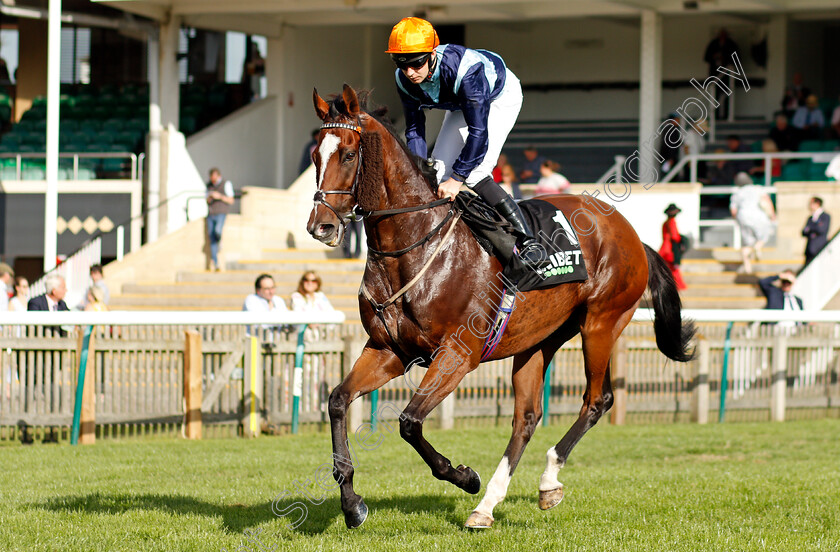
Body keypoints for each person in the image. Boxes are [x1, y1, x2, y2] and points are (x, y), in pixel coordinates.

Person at [386, 17, 536, 252]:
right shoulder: (403, 79)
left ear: (433, 53)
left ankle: (529, 241)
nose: (410, 72)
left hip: (499, 96)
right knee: (433, 172)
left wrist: (457, 180)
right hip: (459, 103)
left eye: (416, 64)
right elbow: (415, 129)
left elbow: (478, 133)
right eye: (402, 65)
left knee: (475, 173)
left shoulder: (467, 70)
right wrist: (417, 171)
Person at [730, 172, 775, 274]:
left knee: (747, 243)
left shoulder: (737, 193)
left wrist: (737, 220)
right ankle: (757, 247)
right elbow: (767, 201)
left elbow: (733, 211)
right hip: (759, 217)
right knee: (763, 237)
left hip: (743, 217)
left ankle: (747, 267)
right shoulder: (758, 189)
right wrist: (772, 215)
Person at [703, 29, 739, 118]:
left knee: (727, 95)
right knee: (715, 95)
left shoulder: (731, 44)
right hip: (715, 74)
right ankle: (715, 116)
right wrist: (714, 56)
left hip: (727, 74)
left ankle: (727, 116)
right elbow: (706, 58)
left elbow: (737, 59)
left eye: (724, 35)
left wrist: (725, 58)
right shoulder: (713, 44)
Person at [206, 167, 235, 271]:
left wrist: (219, 196)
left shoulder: (225, 184)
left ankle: (220, 241)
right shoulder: (209, 185)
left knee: (217, 231)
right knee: (211, 238)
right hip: (211, 213)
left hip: (221, 212)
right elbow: (206, 199)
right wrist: (210, 197)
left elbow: (231, 200)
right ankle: (216, 263)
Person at [658, 204, 687, 291]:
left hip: (665, 248)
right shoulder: (672, 222)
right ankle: (677, 285)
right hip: (670, 249)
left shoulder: (665, 223)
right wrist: (681, 240)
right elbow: (675, 236)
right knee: (673, 268)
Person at [801, 196, 831, 266]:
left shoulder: (825, 216)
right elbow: (803, 232)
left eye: (811, 203)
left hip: (819, 248)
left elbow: (821, 229)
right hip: (809, 249)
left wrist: (810, 228)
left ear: (817, 203)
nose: (809, 205)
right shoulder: (811, 217)